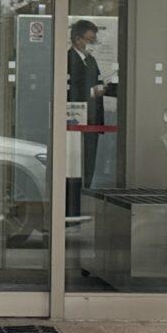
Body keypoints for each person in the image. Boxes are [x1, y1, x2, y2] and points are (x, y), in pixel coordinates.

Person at [66, 19, 103, 207]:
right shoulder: (67, 59)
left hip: (92, 119)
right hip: (75, 120)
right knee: (73, 165)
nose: (93, 43)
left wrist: (104, 89)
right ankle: (71, 203)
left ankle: (83, 199)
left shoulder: (91, 60)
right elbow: (72, 89)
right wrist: (92, 92)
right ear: (78, 39)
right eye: (90, 40)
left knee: (89, 162)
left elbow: (97, 82)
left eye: (94, 40)